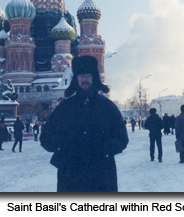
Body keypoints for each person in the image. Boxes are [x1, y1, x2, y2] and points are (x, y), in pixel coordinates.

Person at [40, 55, 128, 192]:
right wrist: (65, 146)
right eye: (80, 76)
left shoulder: (108, 107)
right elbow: (46, 137)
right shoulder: (64, 108)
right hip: (70, 176)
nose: (84, 79)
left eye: (87, 75)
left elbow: (122, 138)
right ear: (76, 79)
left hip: (102, 175)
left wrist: (103, 149)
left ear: (93, 77)